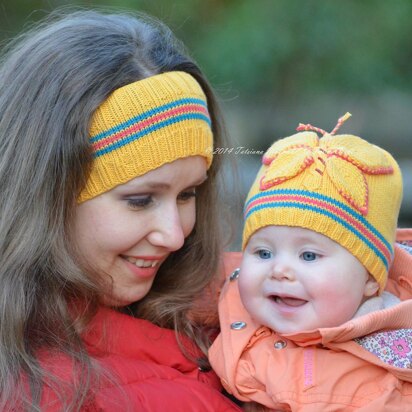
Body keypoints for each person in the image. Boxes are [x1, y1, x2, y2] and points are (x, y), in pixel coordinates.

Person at [0, 9, 242, 411]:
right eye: (140, 200)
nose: (175, 235)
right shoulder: (38, 392)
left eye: (187, 195)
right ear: (45, 196)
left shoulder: (245, 302)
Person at [209, 114, 412, 411]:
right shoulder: (220, 292)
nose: (279, 270)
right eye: (263, 253)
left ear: (370, 279)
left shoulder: (385, 380)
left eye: (308, 256)